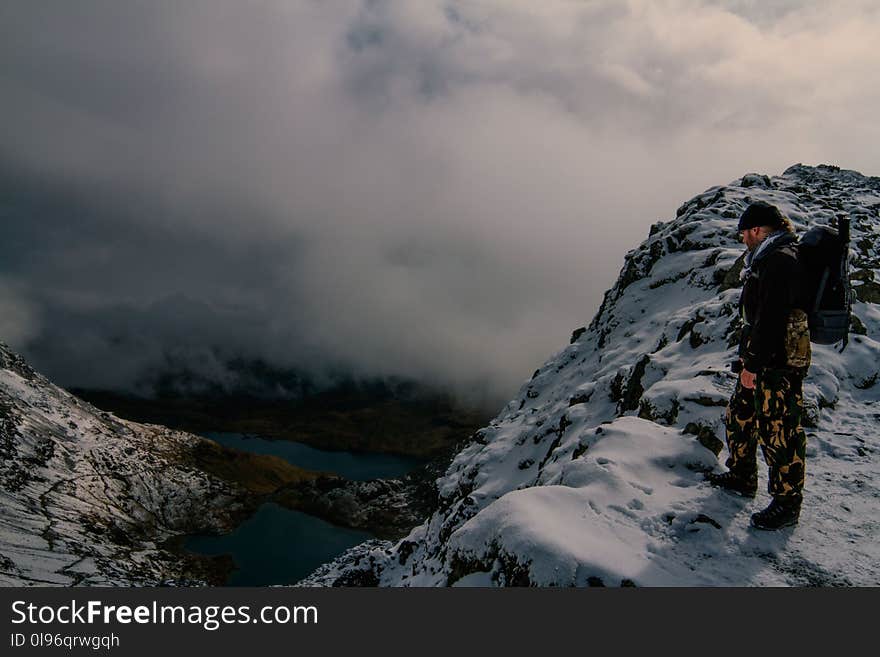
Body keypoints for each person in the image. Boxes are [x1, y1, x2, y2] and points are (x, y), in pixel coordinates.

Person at [707, 201, 811, 530]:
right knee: (741, 416)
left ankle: (787, 502)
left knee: (779, 430)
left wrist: (753, 363)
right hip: (759, 357)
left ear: (756, 230)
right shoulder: (768, 258)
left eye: (743, 234)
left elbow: (772, 321)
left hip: (778, 363)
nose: (742, 240)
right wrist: (746, 357)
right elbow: (757, 317)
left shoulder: (780, 261)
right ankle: (742, 475)